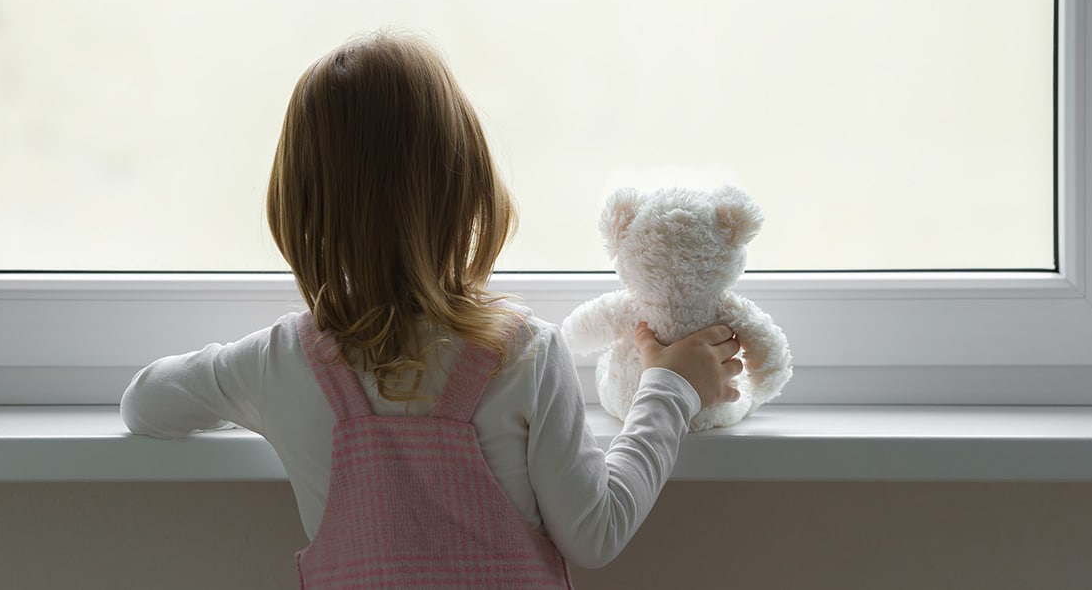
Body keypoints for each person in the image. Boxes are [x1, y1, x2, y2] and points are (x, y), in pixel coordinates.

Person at [120, 31, 744, 589]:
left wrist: (252, 392)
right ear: (466, 182)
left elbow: (145, 402)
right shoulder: (521, 351)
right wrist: (669, 386)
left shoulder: (278, 362)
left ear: (299, 208)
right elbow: (595, 533)